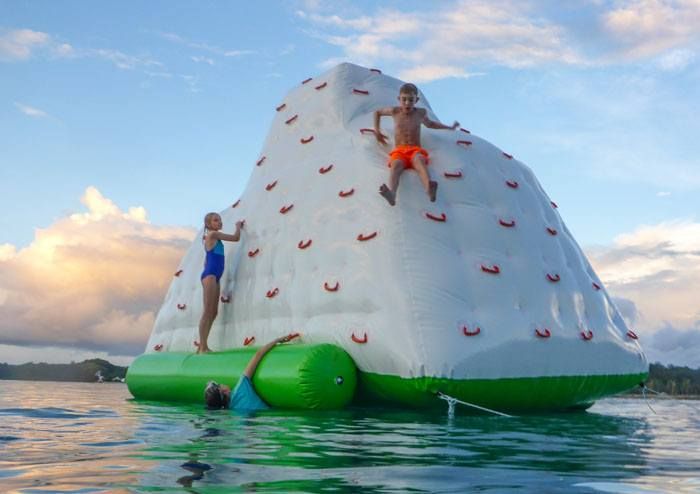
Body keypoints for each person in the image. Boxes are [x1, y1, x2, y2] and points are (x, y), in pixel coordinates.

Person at [374, 83, 460, 206]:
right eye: (404, 99)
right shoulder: (394, 111)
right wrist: (377, 131)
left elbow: (430, 124)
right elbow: (377, 112)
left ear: (416, 100)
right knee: (396, 165)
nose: (407, 103)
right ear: (399, 99)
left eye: (411, 100)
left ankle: (429, 189)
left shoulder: (420, 113)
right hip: (399, 151)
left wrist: (449, 127)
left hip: (415, 150)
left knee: (419, 161)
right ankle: (392, 194)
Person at [204, 334, 298, 410]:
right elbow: (258, 355)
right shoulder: (241, 387)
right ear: (223, 390)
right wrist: (278, 340)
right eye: (219, 384)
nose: (222, 383)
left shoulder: (232, 412)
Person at [198, 212, 244, 354]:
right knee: (207, 311)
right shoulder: (213, 235)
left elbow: (207, 259)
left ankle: (203, 345)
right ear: (208, 224)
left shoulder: (213, 238)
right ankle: (202, 346)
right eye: (215, 220)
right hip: (210, 276)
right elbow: (236, 238)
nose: (219, 222)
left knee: (214, 312)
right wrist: (238, 227)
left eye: (220, 220)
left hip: (214, 276)